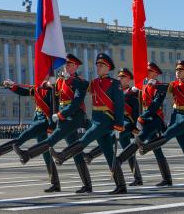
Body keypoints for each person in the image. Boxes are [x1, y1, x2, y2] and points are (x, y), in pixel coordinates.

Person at [13, 54, 93, 194]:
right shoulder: (60, 81)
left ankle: (28, 154)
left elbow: (76, 103)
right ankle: (87, 185)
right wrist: (46, 84)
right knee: (76, 151)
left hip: (74, 116)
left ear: (75, 67)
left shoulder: (80, 82)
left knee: (52, 139)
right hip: (62, 117)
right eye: (65, 65)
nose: (66, 67)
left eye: (69, 65)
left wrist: (61, 114)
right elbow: (50, 93)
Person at [49, 53, 127, 194]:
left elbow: (120, 106)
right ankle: (121, 185)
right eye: (97, 65)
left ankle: (62, 155)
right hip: (96, 119)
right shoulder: (94, 82)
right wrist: (69, 78)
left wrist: (118, 125)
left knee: (84, 140)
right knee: (109, 154)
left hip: (105, 120)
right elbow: (81, 84)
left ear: (108, 67)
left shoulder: (115, 84)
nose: (98, 67)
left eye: (101, 65)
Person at [0, 77, 60, 192]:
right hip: (37, 118)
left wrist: (51, 124)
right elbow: (24, 92)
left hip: (44, 121)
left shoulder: (52, 89)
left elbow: (55, 106)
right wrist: (12, 86)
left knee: (23, 136)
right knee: (45, 152)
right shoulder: (38, 88)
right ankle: (55, 183)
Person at [139, 60, 184, 187]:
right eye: (176, 70)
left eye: (181, 70)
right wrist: (152, 84)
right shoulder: (173, 84)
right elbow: (162, 87)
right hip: (176, 116)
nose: (178, 72)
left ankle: (147, 147)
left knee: (168, 133)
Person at [83, 68, 143, 186]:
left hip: (127, 122)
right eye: (119, 77)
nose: (120, 78)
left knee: (110, 139)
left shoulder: (133, 92)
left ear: (129, 79)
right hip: (118, 121)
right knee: (128, 151)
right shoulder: (115, 89)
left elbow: (136, 110)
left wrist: (136, 126)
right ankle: (138, 178)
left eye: (123, 77)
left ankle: (91, 155)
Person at [115, 62, 172, 187]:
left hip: (155, 118)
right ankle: (167, 178)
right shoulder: (143, 86)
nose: (147, 73)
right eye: (147, 71)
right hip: (146, 119)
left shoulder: (160, 86)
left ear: (156, 74)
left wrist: (142, 117)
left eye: (150, 71)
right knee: (157, 149)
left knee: (139, 140)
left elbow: (155, 105)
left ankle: (119, 159)